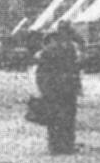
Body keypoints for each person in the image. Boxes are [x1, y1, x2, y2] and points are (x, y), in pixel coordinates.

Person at [34, 25, 82, 154]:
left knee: (64, 119)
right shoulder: (51, 53)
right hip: (57, 90)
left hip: (63, 90)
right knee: (59, 119)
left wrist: (77, 86)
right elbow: (42, 74)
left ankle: (62, 146)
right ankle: (61, 146)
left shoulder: (68, 51)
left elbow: (74, 70)